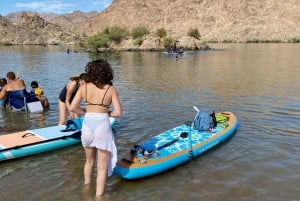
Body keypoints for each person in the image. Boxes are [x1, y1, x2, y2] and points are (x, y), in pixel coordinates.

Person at [70, 59, 122, 197]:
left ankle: (87, 188)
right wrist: (107, 112)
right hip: (102, 124)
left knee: (89, 161)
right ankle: (99, 196)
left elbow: (72, 107)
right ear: (107, 72)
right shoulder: (111, 89)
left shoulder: (83, 87)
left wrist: (85, 111)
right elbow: (118, 113)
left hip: (87, 124)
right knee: (102, 166)